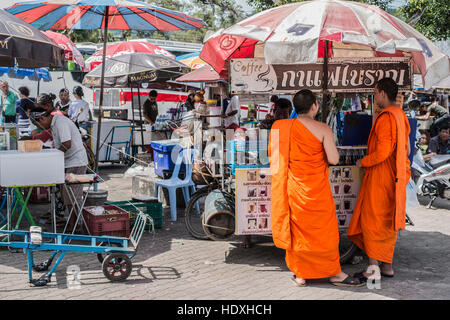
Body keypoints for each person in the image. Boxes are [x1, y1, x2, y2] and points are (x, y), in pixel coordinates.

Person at [270, 89, 363, 287]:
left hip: (295, 188)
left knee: (299, 232)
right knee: (325, 233)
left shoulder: (281, 127)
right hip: (318, 190)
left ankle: (301, 274)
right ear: (315, 106)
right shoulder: (323, 129)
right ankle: (334, 273)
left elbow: (276, 160)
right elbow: (334, 159)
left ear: (295, 108)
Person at [348, 78, 411, 283]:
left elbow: (383, 152)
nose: (375, 98)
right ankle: (387, 266)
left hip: (381, 177)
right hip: (396, 177)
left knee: (372, 221)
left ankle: (373, 268)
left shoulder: (386, 118)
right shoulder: (401, 116)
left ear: (382, 93)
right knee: (387, 223)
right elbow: (407, 150)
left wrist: (364, 162)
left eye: (375, 93)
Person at [34, 110, 88, 232]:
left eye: (39, 124)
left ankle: (74, 226)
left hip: (76, 161)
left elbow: (67, 144)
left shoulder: (60, 122)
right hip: (69, 161)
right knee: (67, 195)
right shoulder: (54, 124)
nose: (41, 128)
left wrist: (55, 155)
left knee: (72, 195)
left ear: (43, 118)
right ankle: (73, 223)